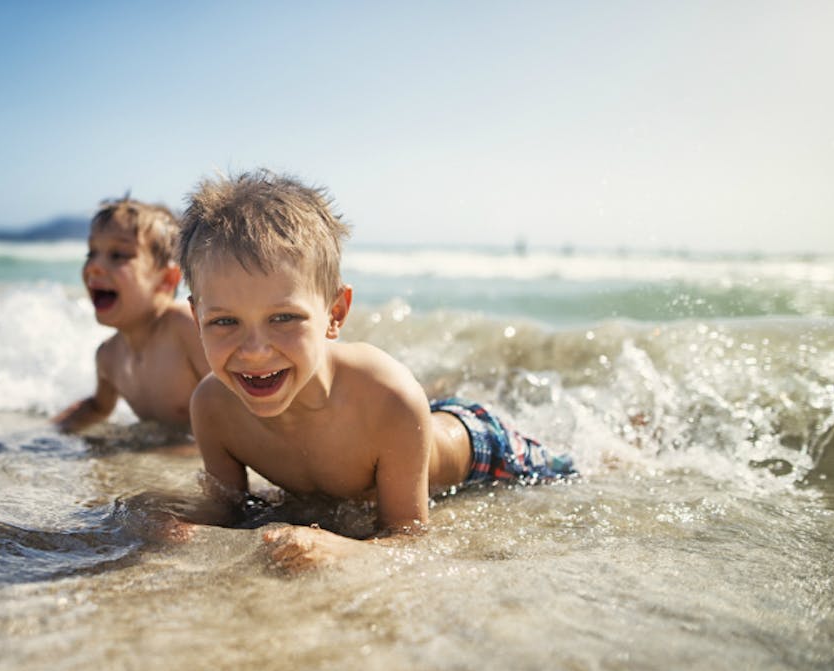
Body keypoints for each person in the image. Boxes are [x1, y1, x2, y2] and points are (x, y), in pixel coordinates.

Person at [175, 170, 575, 571]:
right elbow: (228, 510)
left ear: (335, 313)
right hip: (401, 436)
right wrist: (173, 524)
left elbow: (410, 538)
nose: (255, 351)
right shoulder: (213, 408)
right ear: (197, 317)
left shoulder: (388, 396)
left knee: (571, 473)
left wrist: (340, 549)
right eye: (224, 322)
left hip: (484, 450)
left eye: (283, 318)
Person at [52, 197, 210, 433]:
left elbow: (235, 404)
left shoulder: (185, 328)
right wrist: (45, 433)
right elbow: (98, 408)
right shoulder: (108, 356)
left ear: (166, 279)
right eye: (91, 253)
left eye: (118, 255)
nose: (94, 266)